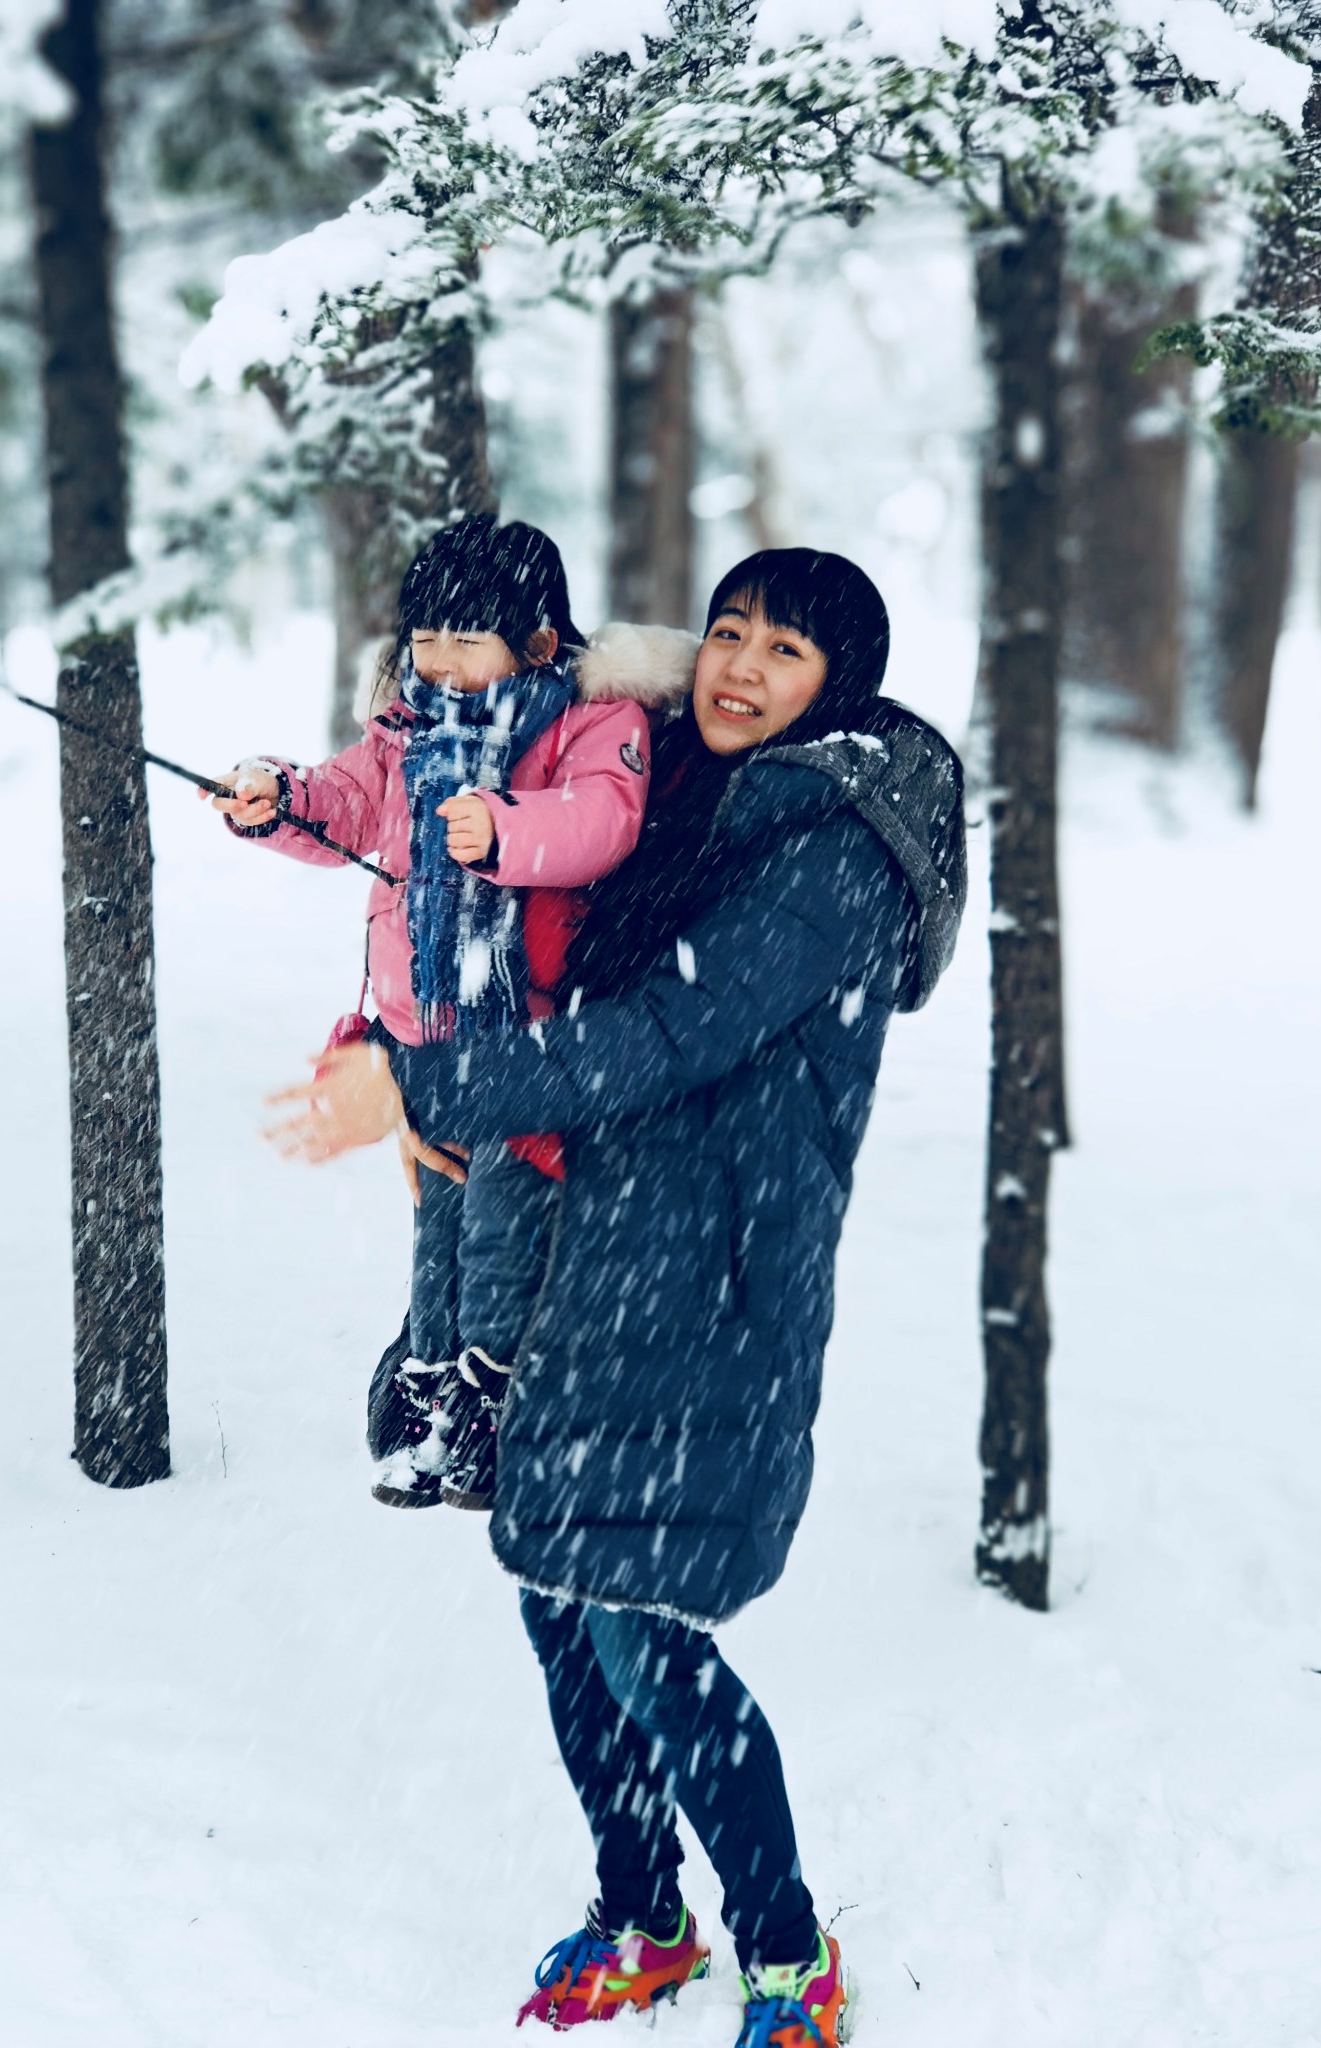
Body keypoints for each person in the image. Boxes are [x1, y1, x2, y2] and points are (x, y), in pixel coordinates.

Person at [266, 549, 967, 2048]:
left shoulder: (836, 855)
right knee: (556, 1601)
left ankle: (786, 1956)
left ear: (839, 681)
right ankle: (644, 1913)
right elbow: (529, 943)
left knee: (649, 1633)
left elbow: (663, 1035)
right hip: (598, 1251)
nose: (738, 665)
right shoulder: (690, 804)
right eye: (726, 631)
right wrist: (444, 1095)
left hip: (712, 1290)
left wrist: (430, 1079)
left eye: (784, 649)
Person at [208, 516, 695, 1506]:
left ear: (542, 642)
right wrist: (277, 796)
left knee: (504, 1230)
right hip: (424, 1036)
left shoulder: (594, 722)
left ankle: (489, 1402)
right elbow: (345, 799)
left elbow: (603, 820)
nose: (437, 660)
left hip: (525, 1042)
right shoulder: (408, 729)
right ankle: (427, 1383)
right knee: (440, 1227)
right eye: (423, 637)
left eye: (465, 638)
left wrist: (503, 829)